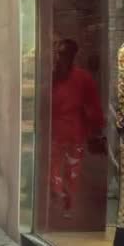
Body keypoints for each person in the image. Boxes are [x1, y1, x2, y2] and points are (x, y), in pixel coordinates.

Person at [50, 38, 105, 218]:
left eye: (62, 54)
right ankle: (62, 197)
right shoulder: (54, 77)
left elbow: (94, 105)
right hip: (60, 132)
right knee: (58, 169)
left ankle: (67, 202)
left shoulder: (82, 78)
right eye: (59, 54)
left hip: (74, 133)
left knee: (70, 170)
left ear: (71, 56)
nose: (60, 58)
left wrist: (96, 129)